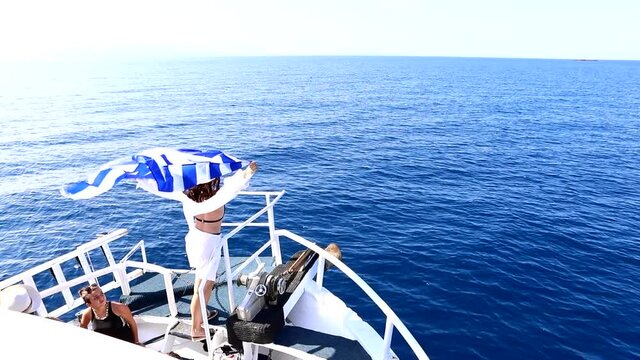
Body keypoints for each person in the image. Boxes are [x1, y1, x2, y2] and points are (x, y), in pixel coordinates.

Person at [182, 161, 257, 340]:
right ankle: (196, 329)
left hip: (195, 239)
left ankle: (200, 315)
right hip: (209, 243)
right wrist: (248, 172)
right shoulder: (216, 199)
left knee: (200, 282)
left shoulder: (192, 197)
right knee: (205, 286)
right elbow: (233, 187)